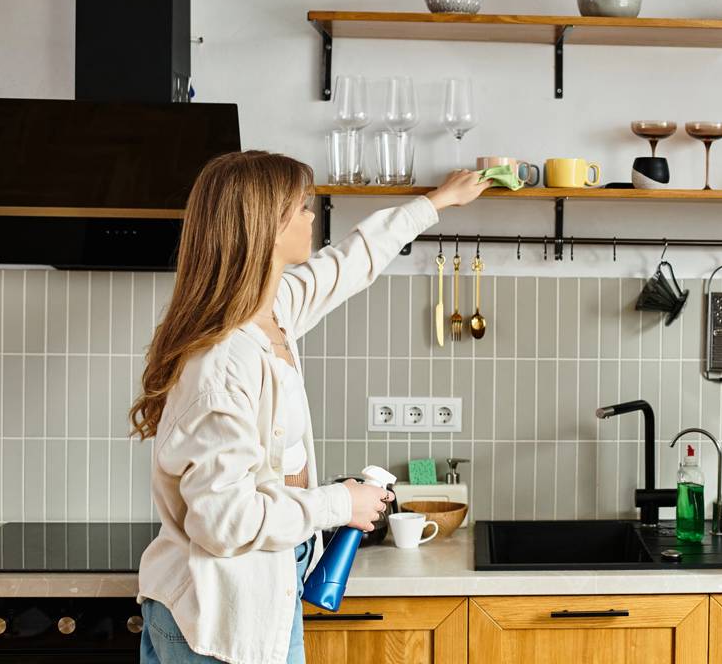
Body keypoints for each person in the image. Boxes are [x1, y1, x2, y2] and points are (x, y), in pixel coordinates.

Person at [128, 151, 488, 664]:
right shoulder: (223, 362)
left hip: (260, 600)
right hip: (215, 622)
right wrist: (340, 503)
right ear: (265, 226)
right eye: (300, 207)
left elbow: (350, 263)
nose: (312, 217)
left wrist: (436, 202)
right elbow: (224, 522)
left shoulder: (271, 314)